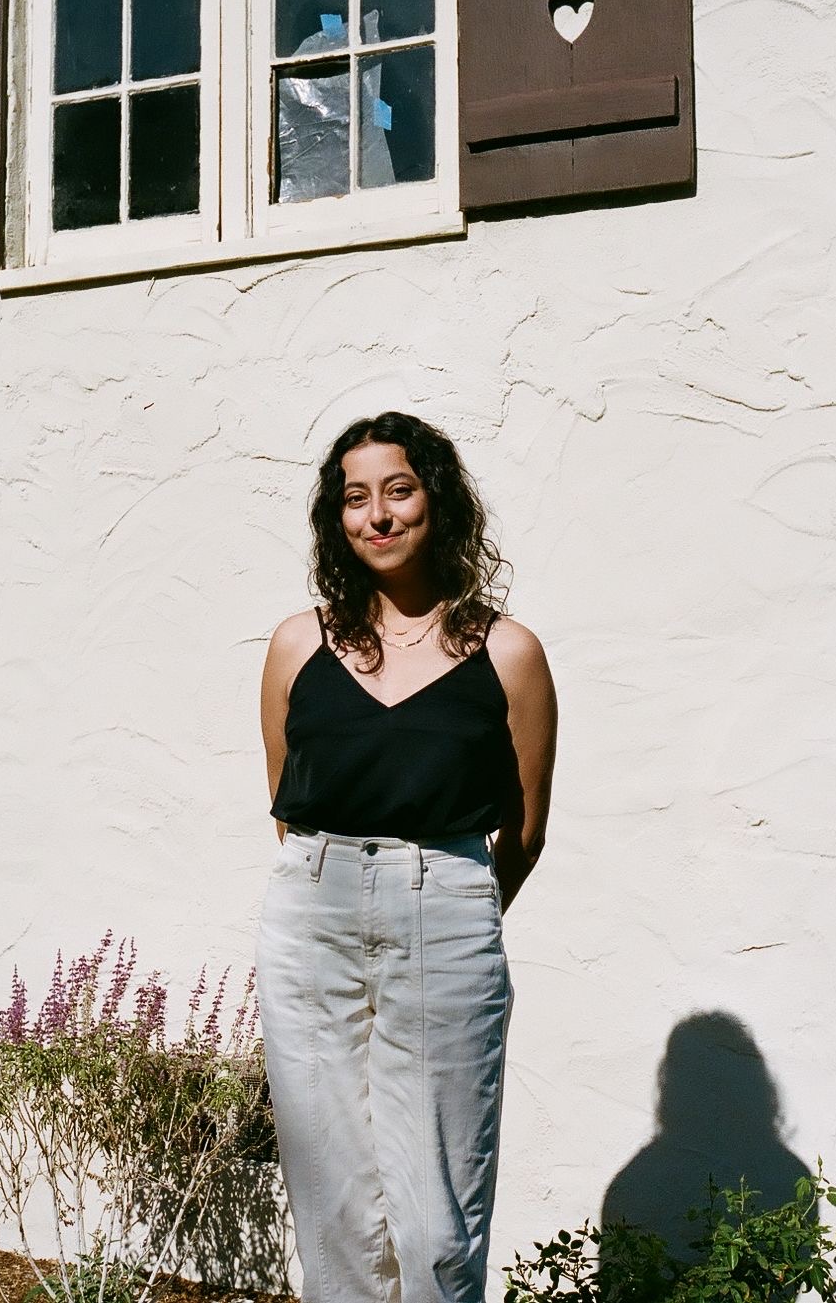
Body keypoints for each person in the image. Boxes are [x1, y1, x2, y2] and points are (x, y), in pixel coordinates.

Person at [255, 411, 557, 1303]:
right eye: (355, 497)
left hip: (449, 915)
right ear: (335, 520)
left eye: (399, 489)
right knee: (334, 1215)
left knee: (436, 1225)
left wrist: (445, 900)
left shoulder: (509, 653)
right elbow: (286, 802)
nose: (377, 515)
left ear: (438, 501)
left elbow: (526, 831)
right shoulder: (295, 645)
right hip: (312, 918)